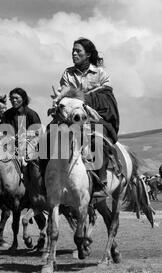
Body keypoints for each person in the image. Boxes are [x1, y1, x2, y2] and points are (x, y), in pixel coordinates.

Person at [52, 38, 121, 195]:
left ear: (88, 54)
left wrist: (81, 97)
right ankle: (44, 179)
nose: (74, 53)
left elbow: (106, 99)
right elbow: (64, 94)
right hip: (70, 117)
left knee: (98, 138)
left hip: (95, 117)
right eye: (73, 51)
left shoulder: (100, 74)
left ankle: (100, 181)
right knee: (48, 138)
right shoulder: (67, 73)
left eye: (78, 51)